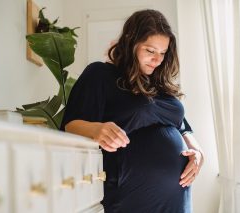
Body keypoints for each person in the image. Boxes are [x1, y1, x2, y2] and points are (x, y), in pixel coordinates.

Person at [61, 9, 204, 213]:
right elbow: (70, 125)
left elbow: (182, 124)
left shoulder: (159, 84)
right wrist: (96, 129)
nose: (157, 60)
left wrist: (198, 151)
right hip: (130, 199)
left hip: (176, 200)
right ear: (131, 42)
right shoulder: (101, 75)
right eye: (150, 50)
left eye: (163, 53)